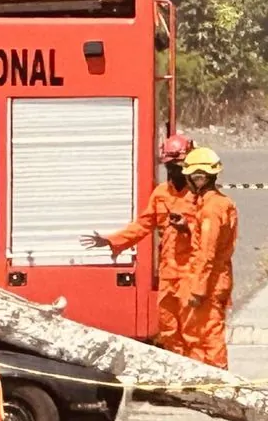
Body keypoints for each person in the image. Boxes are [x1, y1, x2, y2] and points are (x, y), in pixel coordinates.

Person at [81, 132, 196, 356]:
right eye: (171, 166)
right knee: (168, 327)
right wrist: (111, 240)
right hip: (168, 273)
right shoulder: (161, 194)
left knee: (193, 329)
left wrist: (187, 228)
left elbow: (213, 236)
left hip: (192, 272)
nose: (176, 171)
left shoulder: (200, 195)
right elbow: (143, 225)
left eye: (180, 166)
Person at [180, 146, 238, 370]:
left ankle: (217, 385)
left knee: (209, 333)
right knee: (200, 332)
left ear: (200, 178)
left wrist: (198, 289)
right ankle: (203, 380)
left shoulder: (211, 209)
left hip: (210, 281)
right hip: (216, 277)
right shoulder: (218, 203)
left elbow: (207, 251)